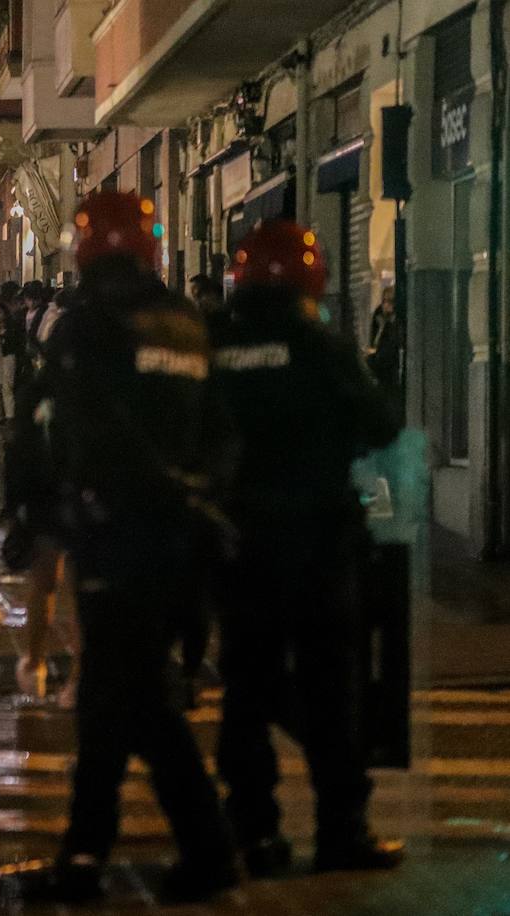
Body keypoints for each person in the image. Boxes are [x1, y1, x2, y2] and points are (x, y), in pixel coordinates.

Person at [20, 192, 237, 904]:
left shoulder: (89, 327)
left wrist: (38, 512)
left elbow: (55, 427)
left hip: (116, 533)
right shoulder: (185, 322)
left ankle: (196, 847)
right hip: (183, 537)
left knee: (134, 699)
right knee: (114, 700)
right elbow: (220, 430)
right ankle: (86, 851)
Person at [210, 220, 405, 877]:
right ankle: (340, 831)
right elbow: (381, 424)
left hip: (240, 546)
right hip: (320, 545)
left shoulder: (216, 346)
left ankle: (253, 831)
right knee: (332, 692)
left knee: (246, 692)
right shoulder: (321, 346)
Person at [366, 285, 403, 403]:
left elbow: (390, 348)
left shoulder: (396, 324)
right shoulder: (379, 318)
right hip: (380, 371)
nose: (386, 305)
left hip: (391, 373)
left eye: (390, 301)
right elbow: (375, 342)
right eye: (384, 301)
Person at [0, 302, 18, 423]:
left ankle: (10, 415)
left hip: (7, 358)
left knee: (7, 387)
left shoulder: (11, 329)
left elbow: (13, 344)